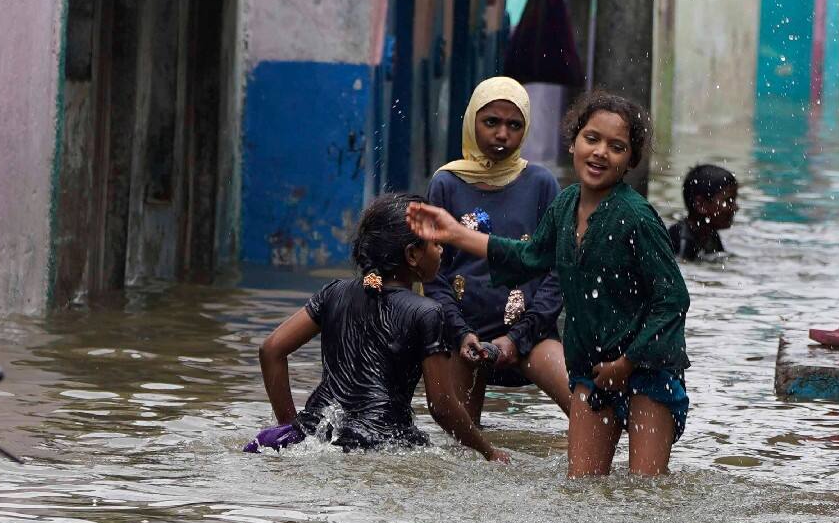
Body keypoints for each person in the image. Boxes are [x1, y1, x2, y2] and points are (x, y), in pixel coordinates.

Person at [407, 92, 691, 478]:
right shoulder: (566, 204)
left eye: (617, 146)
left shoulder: (636, 215)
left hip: (648, 366)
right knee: (582, 489)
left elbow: (672, 299)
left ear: (631, 161)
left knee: (646, 492)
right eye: (592, 139)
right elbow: (529, 257)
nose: (601, 153)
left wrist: (627, 363)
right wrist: (456, 234)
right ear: (573, 141)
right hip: (592, 365)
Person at [246, 193, 508, 462]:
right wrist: (488, 451)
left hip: (320, 436)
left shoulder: (333, 293)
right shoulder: (428, 312)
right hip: (383, 446)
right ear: (413, 255)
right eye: (436, 243)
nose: (441, 250)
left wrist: (295, 430)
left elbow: (271, 350)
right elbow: (441, 407)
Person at [425, 77, 571, 424]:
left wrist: (518, 337)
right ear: (472, 121)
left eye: (514, 125)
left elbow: (557, 271)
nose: (502, 134)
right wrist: (461, 333)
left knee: (586, 408)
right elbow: (433, 275)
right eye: (491, 122)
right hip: (463, 337)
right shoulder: (445, 183)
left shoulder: (541, 183)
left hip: (532, 335)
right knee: (461, 441)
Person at [667, 164, 738, 261]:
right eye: (728, 200)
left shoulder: (711, 235)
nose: (735, 207)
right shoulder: (679, 238)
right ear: (701, 205)